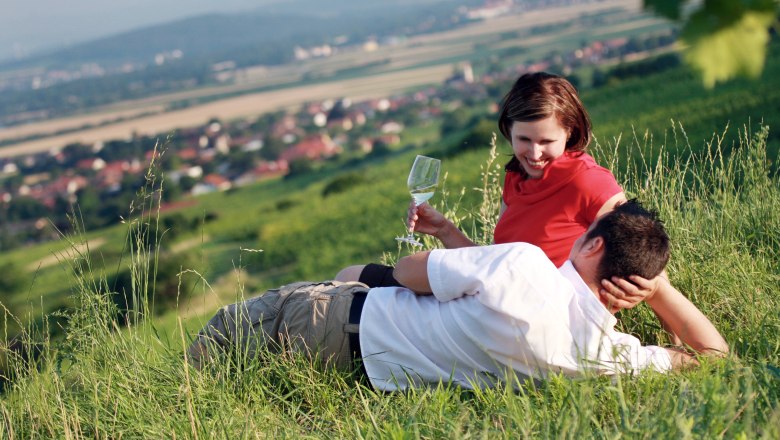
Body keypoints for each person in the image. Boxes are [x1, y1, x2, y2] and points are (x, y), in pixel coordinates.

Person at [188, 201, 727, 391]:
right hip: (358, 374)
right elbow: (713, 355)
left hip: (329, 321)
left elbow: (407, 270)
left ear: (594, 247)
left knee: (204, 355)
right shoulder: (605, 354)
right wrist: (659, 290)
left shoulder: (524, 263)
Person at [336, 72, 630, 301]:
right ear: (509, 131)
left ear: (570, 132)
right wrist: (444, 230)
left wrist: (671, 327)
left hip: (533, 312)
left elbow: (638, 251)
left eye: (547, 142)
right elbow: (490, 266)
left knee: (374, 285)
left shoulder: (588, 180)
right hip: (493, 298)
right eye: (524, 140)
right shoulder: (516, 178)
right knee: (349, 276)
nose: (535, 153)